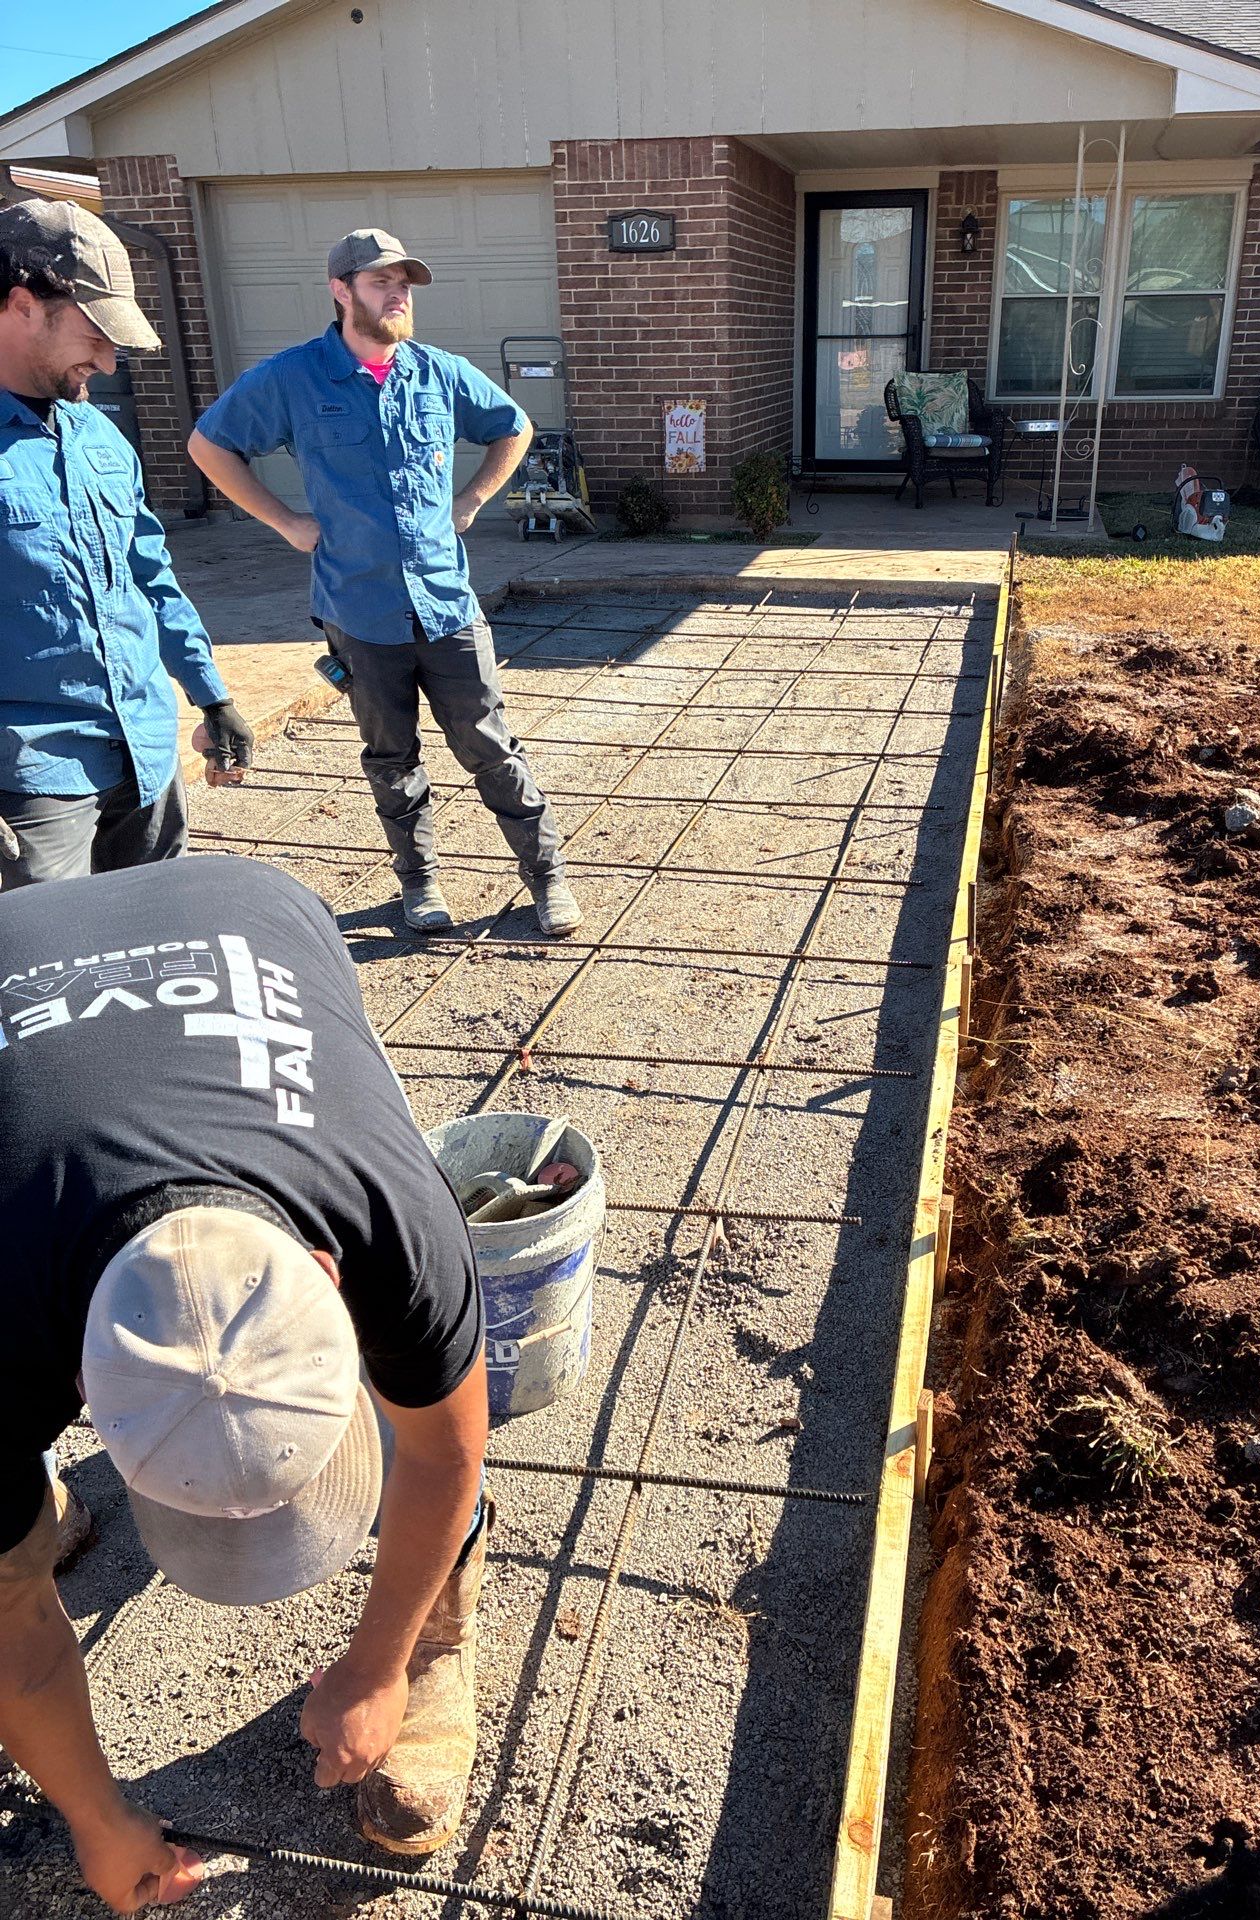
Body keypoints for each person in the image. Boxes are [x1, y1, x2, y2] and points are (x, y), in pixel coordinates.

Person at [0, 853, 492, 1911]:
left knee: (445, 1378)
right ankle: (30, 1508)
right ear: (76, 1378)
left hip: (242, 908)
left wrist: (379, 1666)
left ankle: (441, 1642)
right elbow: (8, 1626)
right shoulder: (5, 1323)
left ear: (329, 1277)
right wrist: (96, 1813)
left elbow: (445, 1448)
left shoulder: (385, 1217)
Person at [188, 227, 581, 939]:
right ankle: (419, 884)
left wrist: (472, 500)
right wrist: (286, 522)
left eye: (404, 283)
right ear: (341, 291)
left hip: (445, 604)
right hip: (359, 609)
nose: (397, 294)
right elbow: (208, 445)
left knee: (492, 746)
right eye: (379, 282)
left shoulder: (438, 372)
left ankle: (547, 877)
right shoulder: (293, 378)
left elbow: (513, 427)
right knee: (392, 759)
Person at [0, 197, 254, 888]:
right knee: (43, 970)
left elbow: (149, 577)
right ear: (24, 305)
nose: (109, 362)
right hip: (35, 773)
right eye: (96, 332)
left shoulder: (100, 437)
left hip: (143, 749)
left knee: (152, 944)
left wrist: (210, 694)